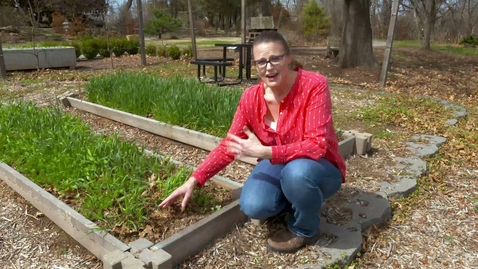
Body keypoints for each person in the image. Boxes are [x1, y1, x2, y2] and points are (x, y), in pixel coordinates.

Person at [159, 31, 346, 253]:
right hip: (279, 162)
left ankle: (304, 228)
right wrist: (195, 179)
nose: (269, 67)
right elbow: (230, 145)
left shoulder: (313, 85)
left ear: (288, 57)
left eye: (275, 58)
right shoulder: (251, 98)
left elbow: (316, 145)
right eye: (261, 62)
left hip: (317, 166)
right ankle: (300, 199)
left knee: (297, 174)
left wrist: (265, 152)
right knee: (253, 205)